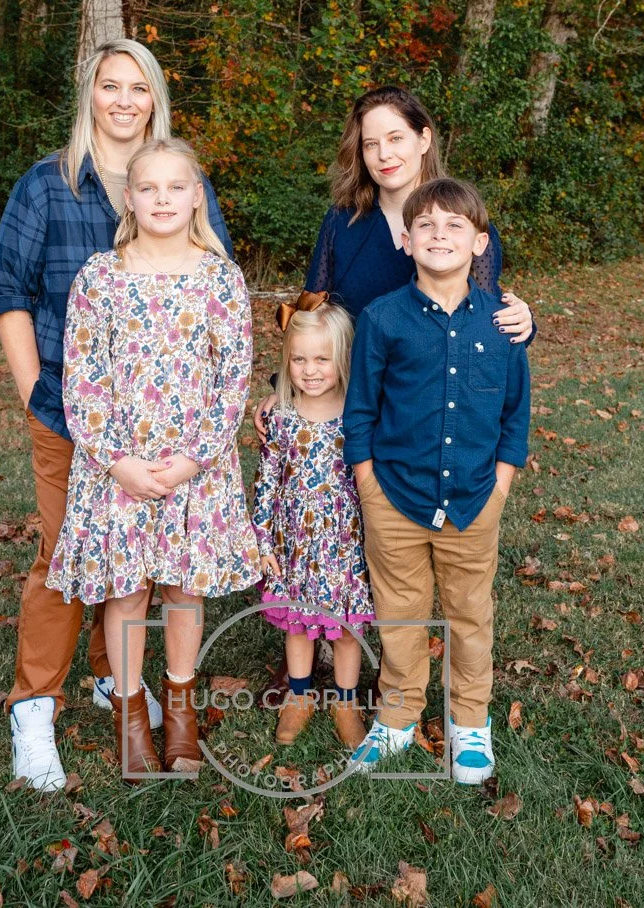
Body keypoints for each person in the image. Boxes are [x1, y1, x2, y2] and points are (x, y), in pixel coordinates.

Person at [0, 40, 232, 791]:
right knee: (68, 558)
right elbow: (8, 291)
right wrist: (37, 392)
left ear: (155, 101)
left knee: (137, 563)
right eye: (109, 86)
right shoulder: (47, 185)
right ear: (89, 96)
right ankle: (34, 706)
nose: (124, 100)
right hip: (75, 412)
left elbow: (215, 288)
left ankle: (110, 677)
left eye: (139, 89)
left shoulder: (183, 184)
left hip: (174, 429)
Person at [46, 139, 261, 778]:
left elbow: (234, 376)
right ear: (129, 199)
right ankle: (131, 715)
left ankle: (182, 712)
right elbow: (80, 378)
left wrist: (196, 458)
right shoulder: (99, 276)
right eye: (150, 188)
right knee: (129, 590)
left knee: (184, 588)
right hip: (120, 468)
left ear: (197, 196)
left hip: (196, 468)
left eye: (177, 187)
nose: (163, 199)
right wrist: (116, 461)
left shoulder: (220, 277)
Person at [342, 177, 531, 782]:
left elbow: (515, 415)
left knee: (469, 612)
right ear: (405, 238)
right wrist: (368, 484)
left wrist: (500, 489)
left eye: (455, 227)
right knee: (399, 610)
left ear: (480, 243)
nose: (439, 235)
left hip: (476, 501)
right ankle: (397, 715)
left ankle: (470, 720)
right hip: (393, 496)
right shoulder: (383, 319)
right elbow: (362, 410)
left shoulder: (503, 325)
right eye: (426, 225)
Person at [253, 86, 533, 444]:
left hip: (429, 412)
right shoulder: (343, 222)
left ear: (424, 139)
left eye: (396, 138)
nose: (384, 154)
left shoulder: (461, 226)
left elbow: (483, 321)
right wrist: (286, 386)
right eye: (371, 144)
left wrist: (524, 322)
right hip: (353, 407)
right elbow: (310, 312)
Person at [251, 294, 374, 752]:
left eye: (322, 358)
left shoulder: (358, 415)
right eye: (299, 359)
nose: (311, 369)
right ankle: (299, 696)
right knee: (297, 623)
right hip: (294, 541)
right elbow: (266, 480)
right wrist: (262, 537)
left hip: (345, 542)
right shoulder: (280, 416)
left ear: (342, 358)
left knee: (346, 628)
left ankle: (347, 702)